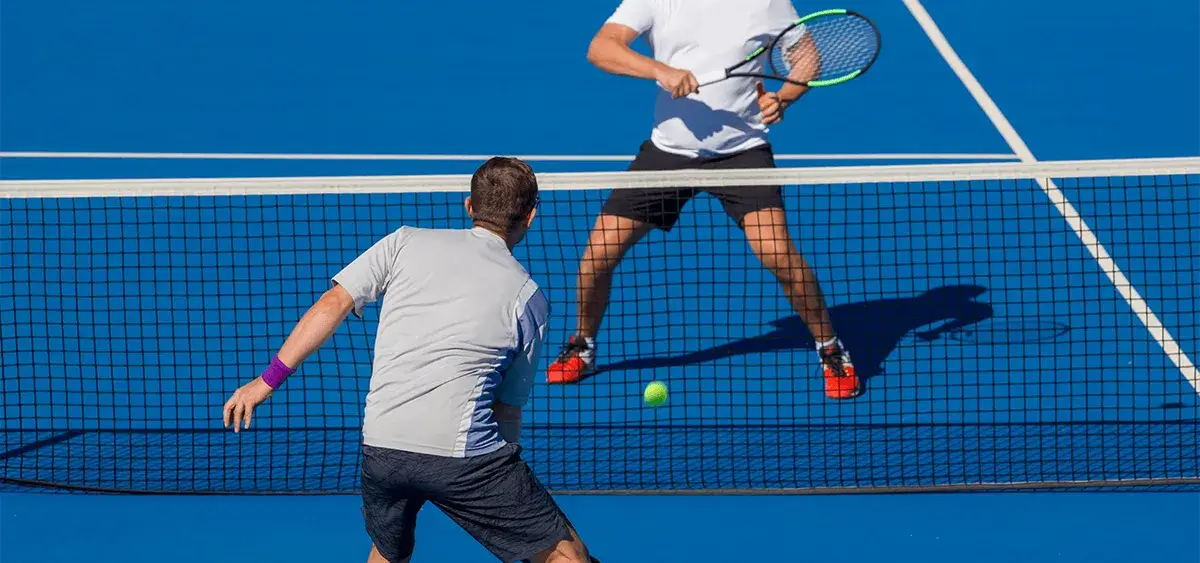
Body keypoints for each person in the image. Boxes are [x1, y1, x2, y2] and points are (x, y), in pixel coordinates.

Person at [222, 157, 600, 563]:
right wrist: (502, 485)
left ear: (469, 206)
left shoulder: (404, 242)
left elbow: (333, 302)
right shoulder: (529, 298)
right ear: (531, 217)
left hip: (382, 450)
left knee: (388, 554)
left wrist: (265, 382)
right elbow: (506, 410)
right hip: (466, 461)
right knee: (568, 557)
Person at [545, 0, 861, 400]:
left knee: (778, 255)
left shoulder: (766, 3)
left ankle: (829, 348)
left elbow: (805, 57)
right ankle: (583, 344)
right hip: (667, 154)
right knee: (598, 255)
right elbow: (602, 47)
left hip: (742, 152)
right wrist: (660, 70)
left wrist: (784, 97)